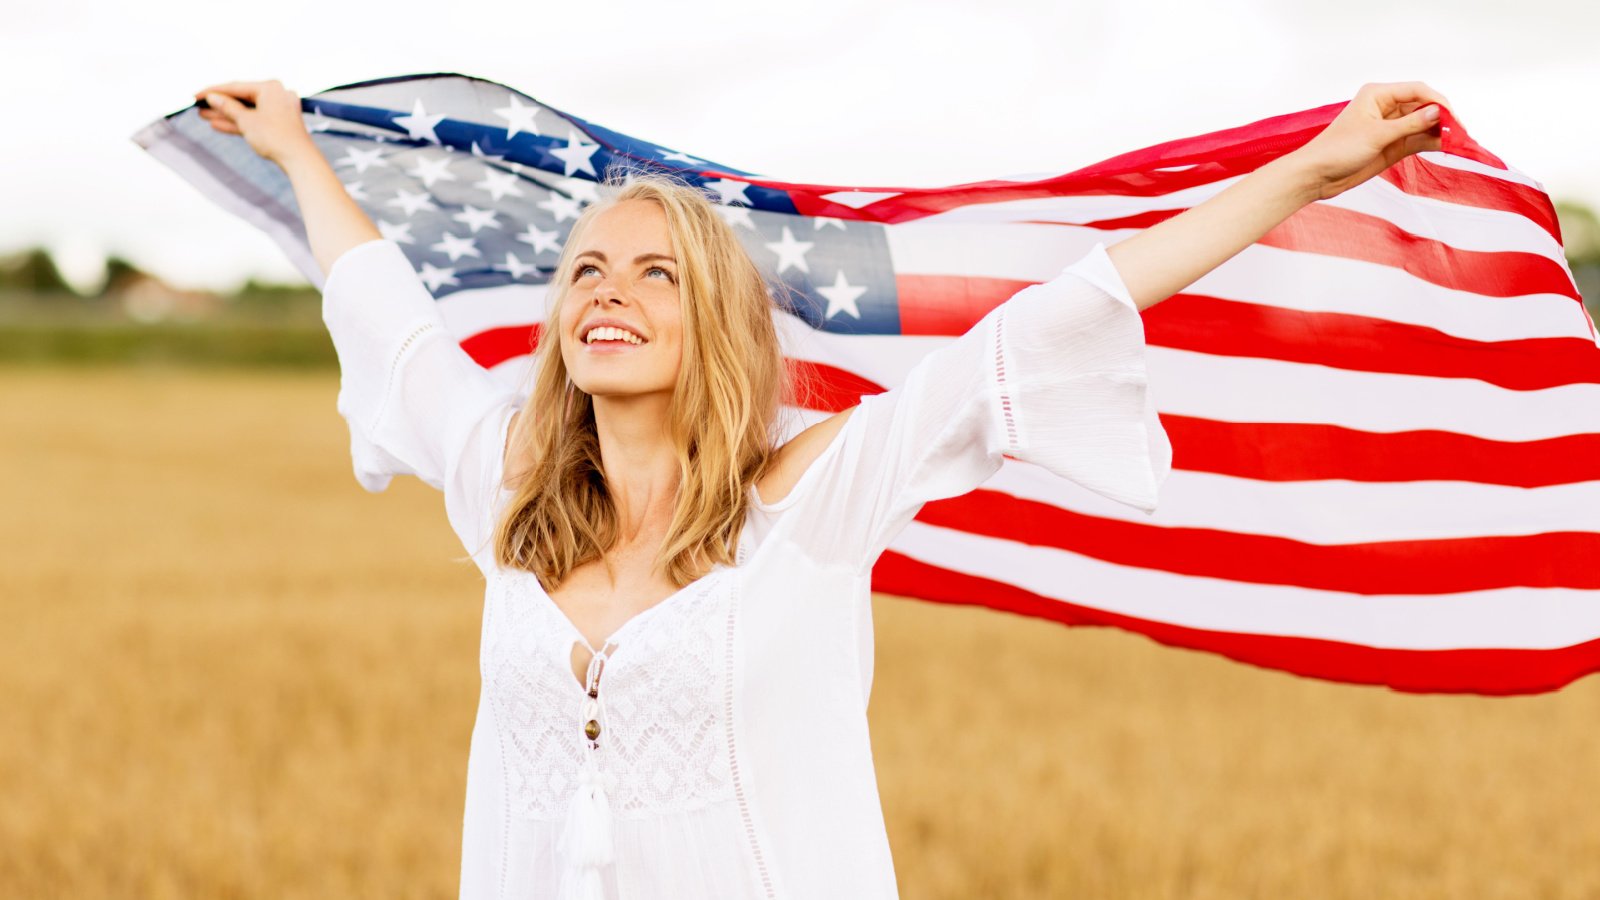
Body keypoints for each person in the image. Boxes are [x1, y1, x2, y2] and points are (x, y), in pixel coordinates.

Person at [193, 78, 1450, 900]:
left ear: (719, 324)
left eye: (654, 274)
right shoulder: (507, 497)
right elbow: (388, 316)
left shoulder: (813, 497)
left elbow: (1046, 322)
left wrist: (1305, 175)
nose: (606, 292)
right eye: (584, 271)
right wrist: (296, 148)